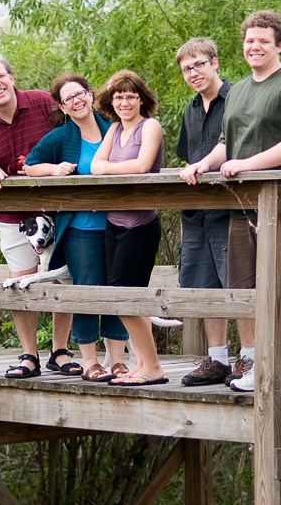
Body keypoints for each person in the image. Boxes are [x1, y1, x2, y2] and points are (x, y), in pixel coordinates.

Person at [179, 11, 281, 393]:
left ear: (279, 45)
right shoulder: (239, 90)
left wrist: (246, 165)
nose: (254, 47)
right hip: (245, 207)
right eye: (249, 41)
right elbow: (228, 144)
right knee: (246, 287)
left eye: (263, 40)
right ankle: (258, 366)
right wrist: (205, 163)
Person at [0, 56, 79, 379]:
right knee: (22, 283)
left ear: (11, 77)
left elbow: (78, 121)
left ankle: (59, 351)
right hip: (14, 218)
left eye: (1, 76)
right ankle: (29, 355)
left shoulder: (42, 103)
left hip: (59, 209)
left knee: (64, 280)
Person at [23, 73, 131, 382]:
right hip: (81, 229)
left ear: (90, 94)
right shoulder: (61, 137)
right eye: (68, 98)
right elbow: (30, 165)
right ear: (61, 106)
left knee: (117, 292)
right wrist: (54, 170)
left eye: (80, 94)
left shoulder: (115, 129)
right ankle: (89, 363)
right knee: (86, 292)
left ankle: (118, 362)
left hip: (118, 226)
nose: (76, 101)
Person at [174, 38, 256, 387]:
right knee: (205, 287)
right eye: (186, 69)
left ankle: (251, 358)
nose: (193, 73)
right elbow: (185, 156)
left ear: (215, 63)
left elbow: (235, 148)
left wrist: (204, 165)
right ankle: (218, 359)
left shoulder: (238, 98)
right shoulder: (191, 109)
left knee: (239, 285)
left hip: (233, 210)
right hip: (198, 212)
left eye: (199, 65)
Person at [90, 70, 167, 386]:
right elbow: (93, 167)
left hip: (140, 224)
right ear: (111, 101)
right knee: (124, 297)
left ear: (141, 99)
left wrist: (107, 168)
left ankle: (153, 368)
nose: (124, 101)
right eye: (118, 96)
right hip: (113, 223)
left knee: (126, 299)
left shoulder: (150, 127)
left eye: (130, 96)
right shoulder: (113, 130)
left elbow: (141, 165)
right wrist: (105, 169)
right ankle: (147, 364)